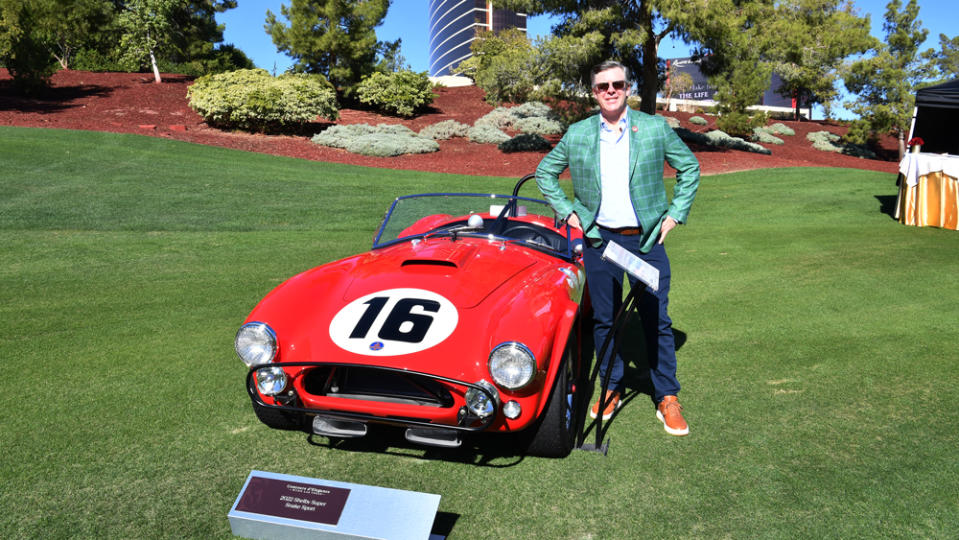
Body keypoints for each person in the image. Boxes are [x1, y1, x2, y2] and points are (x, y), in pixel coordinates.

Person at [535, 60, 699, 436]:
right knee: (605, 320)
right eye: (602, 86)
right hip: (599, 241)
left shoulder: (655, 127)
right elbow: (545, 172)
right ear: (593, 92)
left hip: (645, 242)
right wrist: (569, 213)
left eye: (617, 84)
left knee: (656, 320)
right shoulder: (578, 134)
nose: (610, 90)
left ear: (628, 87)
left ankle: (667, 396)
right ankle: (611, 386)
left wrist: (674, 215)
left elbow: (689, 168)